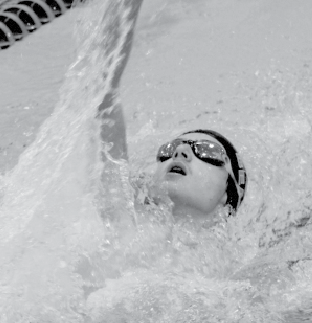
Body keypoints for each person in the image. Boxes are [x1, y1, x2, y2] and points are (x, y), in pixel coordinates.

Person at [97, 0, 247, 225]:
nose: (182, 151)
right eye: (167, 150)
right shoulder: (122, 219)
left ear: (227, 195)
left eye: (207, 151)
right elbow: (104, 95)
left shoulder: (250, 258)